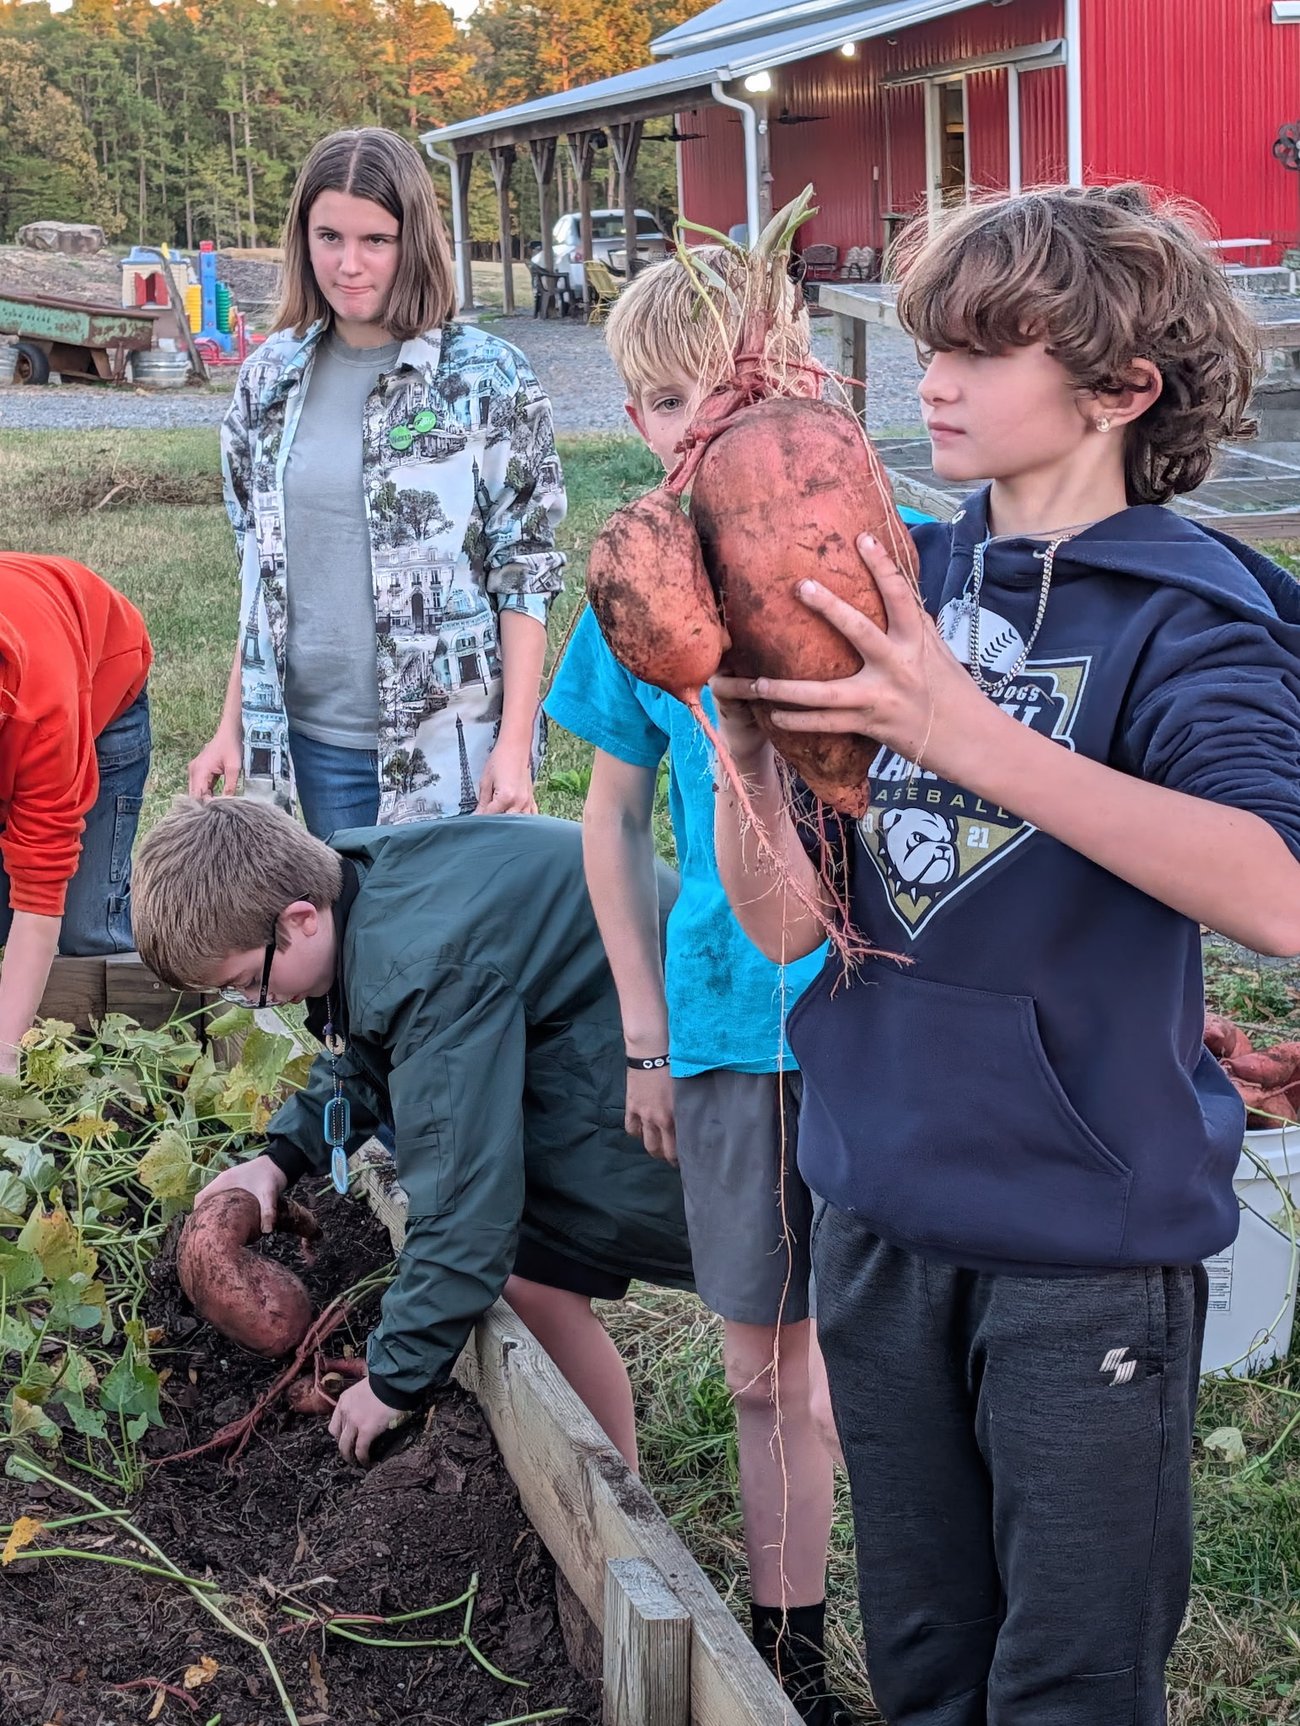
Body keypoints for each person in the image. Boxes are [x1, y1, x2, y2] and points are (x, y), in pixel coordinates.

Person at [710, 183, 1300, 1725]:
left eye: (987, 347)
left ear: (1121, 389)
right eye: (929, 346)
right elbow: (782, 919)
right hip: (879, 1207)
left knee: (1068, 1680)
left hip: (1078, 1244)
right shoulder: (906, 580)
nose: (936, 382)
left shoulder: (1192, 617)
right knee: (921, 1655)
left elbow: (1278, 892)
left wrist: (957, 732)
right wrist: (748, 740)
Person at [545, 249, 928, 1725]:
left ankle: (914, 1624)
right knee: (768, 1367)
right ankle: (787, 1651)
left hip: (879, 1004)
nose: (684, 421)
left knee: (860, 1368)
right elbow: (611, 819)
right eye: (655, 397)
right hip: (721, 1012)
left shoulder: (871, 538)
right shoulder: (642, 587)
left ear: (789, 375)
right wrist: (643, 1028)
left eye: (713, 383)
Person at [130, 795, 693, 1468]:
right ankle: (613, 1483)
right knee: (531, 1279)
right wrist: (279, 1158)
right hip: (595, 1030)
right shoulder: (356, 887)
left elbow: (461, 1202)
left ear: (299, 919)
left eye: (248, 982)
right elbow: (363, 1043)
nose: (252, 1003)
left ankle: (627, 1513)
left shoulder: (423, 967)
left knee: (755, 1315)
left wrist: (394, 1380)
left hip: (672, 1063)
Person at [189, 127, 566, 838]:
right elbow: (258, 575)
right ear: (303, 238)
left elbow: (525, 574)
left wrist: (514, 747)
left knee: (434, 949)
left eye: (376, 241)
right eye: (329, 236)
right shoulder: (269, 380)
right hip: (303, 753)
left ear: (413, 243)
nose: (349, 264)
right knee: (317, 946)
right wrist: (231, 725)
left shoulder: (489, 378)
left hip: (450, 752)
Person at [0, 553, 152, 1076]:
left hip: (100, 691)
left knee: (85, 931)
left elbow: (40, 895)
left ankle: (111, 1058)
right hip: (33, 615)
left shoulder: (43, 718)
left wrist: (4, 1064)